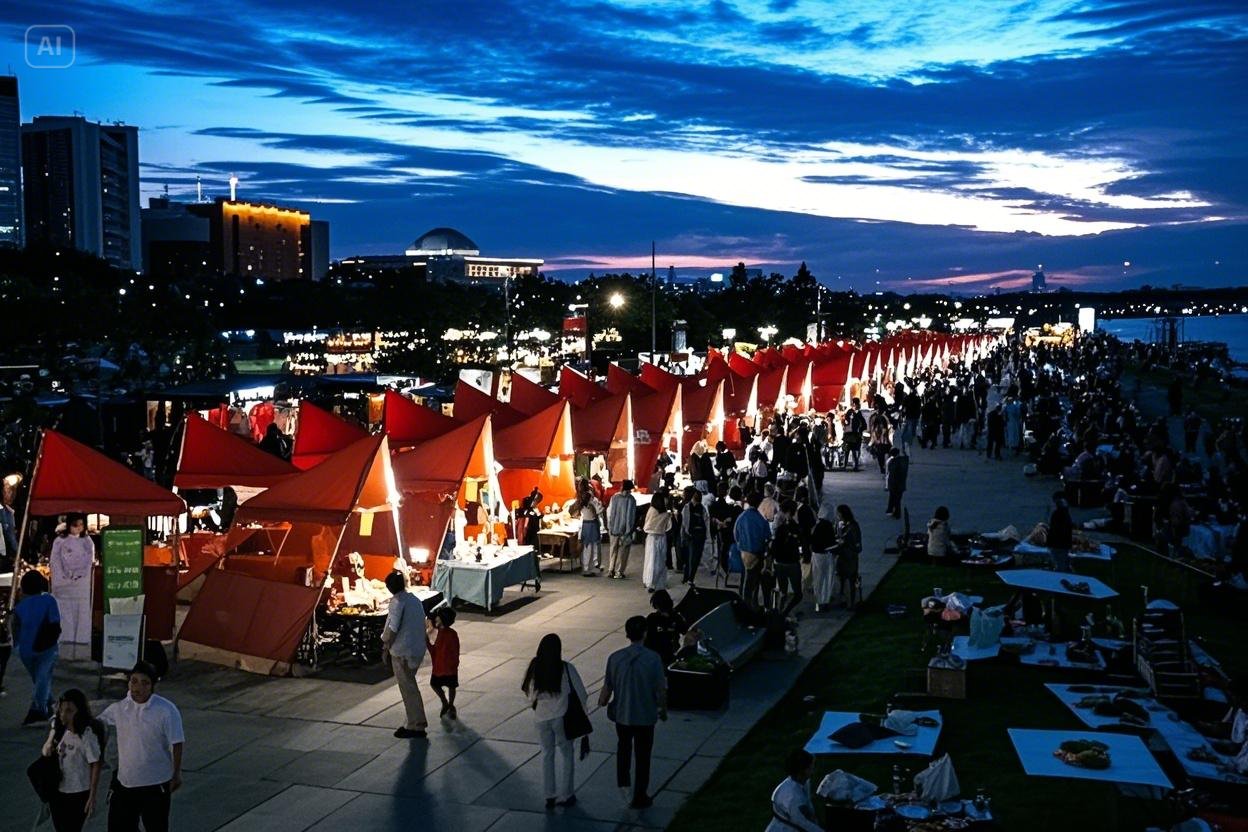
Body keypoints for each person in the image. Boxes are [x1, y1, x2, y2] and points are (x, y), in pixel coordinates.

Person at [98, 662, 184, 832]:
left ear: (152, 686)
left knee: (156, 827)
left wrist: (176, 774)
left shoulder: (166, 710)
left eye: (145, 683)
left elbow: (177, 742)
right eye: (134, 681)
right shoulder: (119, 708)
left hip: (155, 784)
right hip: (125, 782)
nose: (138, 687)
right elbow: (96, 724)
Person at [598, 616, 667, 810]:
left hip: (622, 714)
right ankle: (640, 794)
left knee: (624, 749)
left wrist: (602, 701)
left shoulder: (615, 658)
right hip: (645, 715)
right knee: (643, 756)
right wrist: (662, 709)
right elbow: (660, 689)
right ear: (645, 633)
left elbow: (608, 686)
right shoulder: (653, 659)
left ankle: (624, 785)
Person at [523, 634, 589, 810]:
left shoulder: (535, 667)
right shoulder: (566, 668)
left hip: (541, 717)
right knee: (567, 754)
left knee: (547, 754)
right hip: (561, 716)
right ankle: (567, 794)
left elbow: (529, 694)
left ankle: (549, 794)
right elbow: (582, 693)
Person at [41, 688, 105, 832]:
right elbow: (45, 753)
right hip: (58, 791)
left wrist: (92, 796)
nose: (63, 714)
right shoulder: (60, 730)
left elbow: (95, 764)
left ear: (79, 712)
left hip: (78, 792)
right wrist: (50, 740)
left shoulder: (87, 736)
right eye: (61, 710)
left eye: (69, 711)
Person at [381, 571, 428, 739]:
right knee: (410, 685)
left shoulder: (397, 602)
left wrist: (386, 646)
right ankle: (411, 722)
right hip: (416, 649)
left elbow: (392, 628)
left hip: (402, 651)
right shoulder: (414, 600)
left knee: (408, 688)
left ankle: (417, 725)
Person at [13, 569, 60, 725]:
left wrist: (17, 646)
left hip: (26, 651)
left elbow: (16, 629)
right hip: (47, 648)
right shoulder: (49, 601)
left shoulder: (20, 607)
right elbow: (55, 624)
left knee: (40, 679)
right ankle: (38, 710)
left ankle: (50, 706)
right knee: (43, 678)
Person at [50, 514, 94, 660]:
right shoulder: (59, 541)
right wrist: (63, 579)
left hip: (81, 587)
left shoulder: (87, 541)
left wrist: (79, 575)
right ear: (69, 525)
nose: (78, 528)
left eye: (81, 525)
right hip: (63, 588)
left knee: (82, 616)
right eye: (75, 525)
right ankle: (64, 649)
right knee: (65, 616)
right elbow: (55, 563)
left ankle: (82, 650)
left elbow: (89, 562)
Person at [765, 749, 823, 832]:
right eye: (811, 766)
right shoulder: (794, 798)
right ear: (804, 771)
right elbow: (805, 824)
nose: (813, 767)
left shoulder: (802, 781)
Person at [734, 491, 772, 609]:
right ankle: (750, 606)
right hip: (757, 553)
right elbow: (768, 537)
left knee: (746, 580)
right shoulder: (760, 519)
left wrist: (741, 546)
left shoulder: (741, 517)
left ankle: (747, 604)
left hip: (744, 552)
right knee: (753, 582)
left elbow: (736, 534)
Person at [770, 501, 805, 617]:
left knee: (783, 591)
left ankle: (780, 612)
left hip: (780, 563)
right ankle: (785, 612)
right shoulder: (796, 528)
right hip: (792, 563)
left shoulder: (780, 528)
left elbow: (774, 547)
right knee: (797, 593)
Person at [426, 606, 460, 720]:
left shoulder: (445, 634)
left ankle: (446, 702)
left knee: (436, 684)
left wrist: (427, 643)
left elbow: (436, 651)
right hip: (447, 667)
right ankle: (449, 704)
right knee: (450, 686)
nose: (436, 618)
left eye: (438, 617)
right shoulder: (449, 633)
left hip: (443, 666)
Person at [643, 590, 686, 666]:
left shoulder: (675, 617)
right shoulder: (652, 618)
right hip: (660, 654)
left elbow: (685, 630)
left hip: (666, 654)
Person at [830, 504, 862, 606]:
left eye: (838, 514)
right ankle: (845, 599)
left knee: (850, 579)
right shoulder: (843, 525)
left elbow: (852, 542)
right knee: (842, 578)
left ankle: (851, 602)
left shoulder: (852, 527)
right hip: (845, 557)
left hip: (849, 557)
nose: (837, 516)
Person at [605, 480, 638, 580]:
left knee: (613, 549)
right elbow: (631, 516)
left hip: (614, 528)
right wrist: (630, 529)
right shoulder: (631, 499)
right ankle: (619, 571)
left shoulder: (614, 498)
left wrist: (610, 526)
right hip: (626, 530)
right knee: (624, 551)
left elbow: (609, 513)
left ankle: (611, 569)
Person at [641, 492, 673, 592]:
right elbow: (668, 527)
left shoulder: (653, 510)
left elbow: (647, 525)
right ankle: (656, 582)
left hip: (653, 538)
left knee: (653, 560)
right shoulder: (663, 513)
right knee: (658, 560)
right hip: (659, 538)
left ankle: (651, 582)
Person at [572, 480, 604, 576]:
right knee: (592, 547)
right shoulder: (590, 497)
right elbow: (599, 510)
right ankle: (590, 568)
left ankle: (586, 567)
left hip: (585, 524)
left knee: (587, 547)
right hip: (592, 524)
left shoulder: (579, 498)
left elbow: (574, 511)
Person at [680, 488, 709, 585]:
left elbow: (705, 522)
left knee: (694, 558)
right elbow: (685, 523)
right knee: (690, 558)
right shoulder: (688, 507)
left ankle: (689, 578)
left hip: (698, 536)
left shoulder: (702, 508)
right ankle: (688, 578)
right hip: (691, 536)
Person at [1048, 491, 1074, 571]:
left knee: (1060, 564)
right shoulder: (1065, 513)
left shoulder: (1058, 513)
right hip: (1063, 544)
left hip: (1058, 544)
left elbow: (1055, 529)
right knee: (1062, 562)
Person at [884, 447, 909, 519]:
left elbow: (892, 473)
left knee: (895, 499)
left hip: (895, 484)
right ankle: (894, 512)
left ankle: (896, 512)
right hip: (898, 484)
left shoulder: (895, 462)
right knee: (896, 499)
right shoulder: (901, 461)